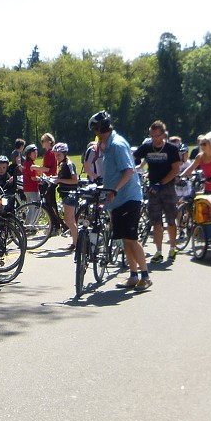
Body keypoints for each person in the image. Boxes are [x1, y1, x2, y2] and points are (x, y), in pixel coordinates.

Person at [90, 111, 150, 290]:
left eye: (95, 129)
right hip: (117, 200)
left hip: (128, 197)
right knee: (125, 239)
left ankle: (145, 276)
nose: (95, 133)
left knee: (131, 238)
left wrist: (115, 189)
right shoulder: (107, 146)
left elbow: (129, 170)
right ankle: (133, 275)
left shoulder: (117, 145)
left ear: (101, 129)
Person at [133, 120, 183, 261]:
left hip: (167, 188)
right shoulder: (147, 147)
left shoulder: (171, 150)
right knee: (155, 221)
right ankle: (159, 251)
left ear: (163, 135)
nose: (154, 138)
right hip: (153, 189)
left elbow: (175, 170)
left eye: (156, 135)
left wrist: (161, 184)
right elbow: (133, 157)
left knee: (170, 219)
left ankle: (173, 248)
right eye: (151, 135)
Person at [50, 143, 80, 249]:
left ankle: (77, 242)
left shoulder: (69, 164)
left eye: (59, 155)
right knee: (70, 220)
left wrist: (59, 180)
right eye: (55, 154)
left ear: (64, 154)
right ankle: (76, 242)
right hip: (65, 194)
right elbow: (61, 177)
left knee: (68, 220)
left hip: (70, 194)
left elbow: (74, 180)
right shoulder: (62, 164)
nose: (56, 157)